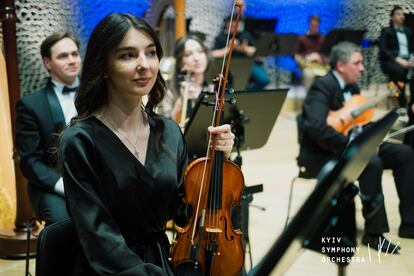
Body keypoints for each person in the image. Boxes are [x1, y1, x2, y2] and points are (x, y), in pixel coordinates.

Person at [60, 13, 235, 275]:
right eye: (128, 55)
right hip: (109, 268)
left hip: (163, 261)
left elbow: (186, 214)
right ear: (104, 66)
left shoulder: (169, 132)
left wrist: (218, 162)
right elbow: (99, 237)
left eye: (151, 53)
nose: (145, 65)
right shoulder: (80, 141)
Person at [297, 41, 414, 253]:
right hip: (325, 153)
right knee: (371, 161)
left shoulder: (353, 87)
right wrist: (355, 146)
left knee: (404, 153)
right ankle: (374, 233)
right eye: (357, 63)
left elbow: (358, 124)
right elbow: (316, 127)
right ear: (341, 65)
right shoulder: (323, 85)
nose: (362, 68)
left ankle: (410, 224)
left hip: (352, 147)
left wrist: (373, 135)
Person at [15, 31, 81, 226]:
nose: (72, 60)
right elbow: (30, 161)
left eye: (75, 54)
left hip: (95, 181)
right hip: (52, 186)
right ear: (47, 63)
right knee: (66, 225)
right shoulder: (30, 105)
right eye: (63, 56)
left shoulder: (99, 95)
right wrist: (64, 185)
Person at [158, 35, 209, 122]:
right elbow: (164, 129)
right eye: (188, 54)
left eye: (200, 51)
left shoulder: (212, 88)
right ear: (180, 63)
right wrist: (181, 101)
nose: (197, 58)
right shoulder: (169, 92)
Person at [211, 15, 270, 90]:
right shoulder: (221, 37)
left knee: (264, 79)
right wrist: (229, 48)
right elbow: (213, 54)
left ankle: (248, 93)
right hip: (228, 66)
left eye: (237, 24)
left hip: (247, 64)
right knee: (230, 87)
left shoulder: (245, 35)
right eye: (232, 24)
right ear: (227, 24)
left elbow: (256, 51)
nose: (234, 26)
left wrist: (245, 49)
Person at [378, 5, 414, 108]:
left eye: (403, 14)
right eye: (398, 14)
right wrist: (398, 60)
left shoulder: (409, 31)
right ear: (391, 17)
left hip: (407, 60)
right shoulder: (386, 31)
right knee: (398, 74)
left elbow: (412, 49)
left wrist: (411, 60)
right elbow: (383, 49)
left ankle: (411, 104)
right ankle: (401, 103)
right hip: (391, 61)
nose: (402, 16)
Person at [295, 15, 328, 89]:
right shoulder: (301, 38)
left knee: (331, 74)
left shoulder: (323, 38)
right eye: (313, 25)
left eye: (316, 26)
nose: (314, 27)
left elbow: (327, 54)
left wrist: (321, 58)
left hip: (321, 66)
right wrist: (307, 58)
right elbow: (296, 55)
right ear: (309, 24)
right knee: (308, 75)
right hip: (307, 66)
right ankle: (309, 98)